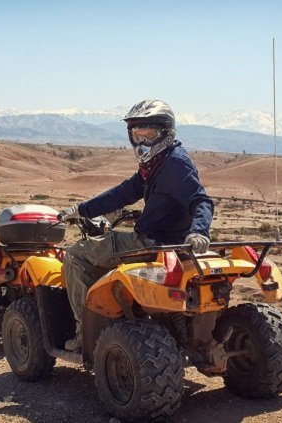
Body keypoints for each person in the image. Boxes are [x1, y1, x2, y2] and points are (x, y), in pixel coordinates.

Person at [60, 99, 214, 351]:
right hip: (166, 242)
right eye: (136, 135)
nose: (142, 142)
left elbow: (200, 200)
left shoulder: (174, 164)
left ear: (166, 133)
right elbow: (124, 193)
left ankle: (83, 332)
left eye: (148, 135)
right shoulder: (156, 164)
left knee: (75, 255)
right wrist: (81, 209)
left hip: (152, 243)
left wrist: (199, 230)